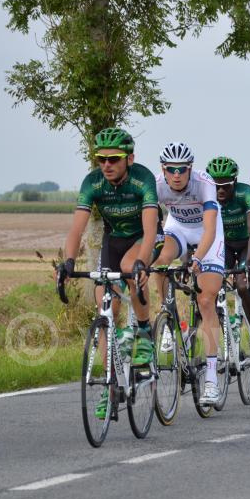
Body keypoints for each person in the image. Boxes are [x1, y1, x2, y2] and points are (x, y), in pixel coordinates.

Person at [57, 127, 160, 419]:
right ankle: (110, 385)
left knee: (130, 268)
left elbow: (150, 228)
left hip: (144, 238)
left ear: (129, 159)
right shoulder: (92, 182)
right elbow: (76, 229)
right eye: (101, 159)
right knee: (105, 305)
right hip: (113, 242)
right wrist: (68, 262)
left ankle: (144, 331)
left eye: (113, 159)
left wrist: (142, 263)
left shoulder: (143, 179)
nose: (106, 165)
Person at [153, 142, 226, 406]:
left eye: (182, 169)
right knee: (160, 262)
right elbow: (150, 219)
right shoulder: (156, 184)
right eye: (171, 169)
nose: (176, 175)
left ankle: (211, 379)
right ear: (163, 169)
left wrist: (196, 259)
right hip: (178, 228)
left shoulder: (204, 183)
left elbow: (210, 229)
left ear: (190, 168)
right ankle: (168, 318)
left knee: (206, 300)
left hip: (208, 234)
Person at [205, 157, 250, 368]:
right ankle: (225, 344)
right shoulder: (206, 195)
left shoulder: (245, 193)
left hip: (248, 243)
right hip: (225, 245)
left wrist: (249, 263)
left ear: (235, 182)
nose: (220, 190)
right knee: (210, 289)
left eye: (226, 186)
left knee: (242, 284)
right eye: (216, 186)